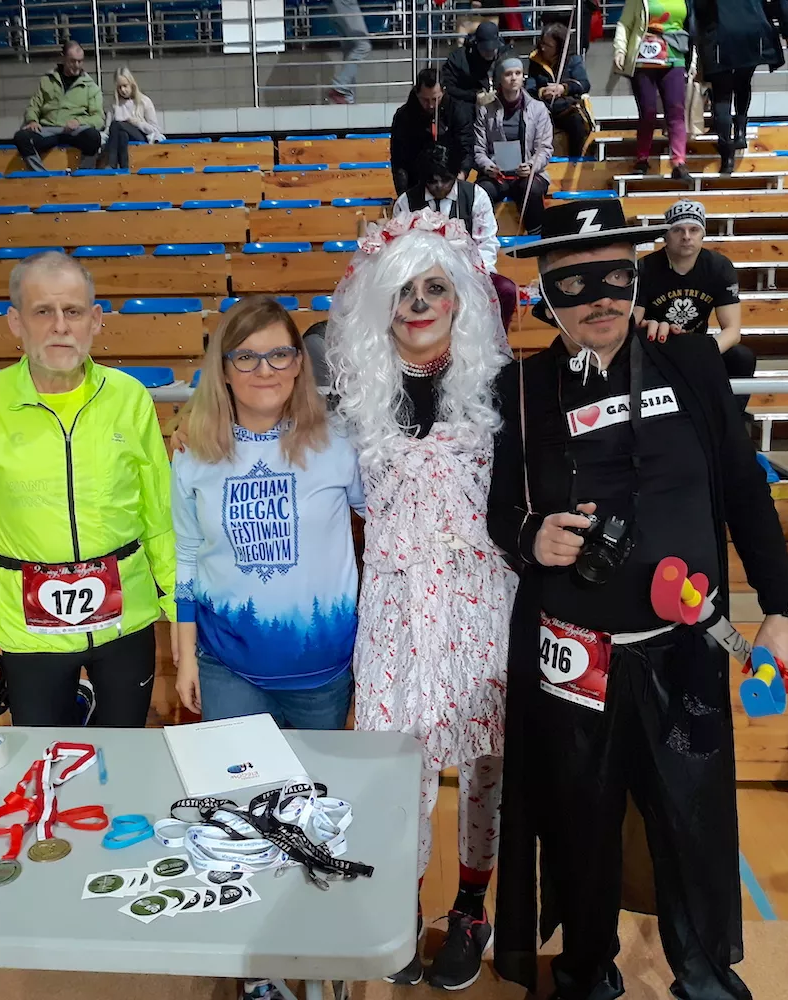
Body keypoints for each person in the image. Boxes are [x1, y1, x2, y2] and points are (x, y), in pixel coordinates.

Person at [487, 198, 788, 1000]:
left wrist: (782, 607)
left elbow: (743, 488)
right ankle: (587, 972)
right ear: (544, 293)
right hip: (574, 655)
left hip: (686, 646)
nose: (598, 299)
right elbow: (499, 509)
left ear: (636, 277)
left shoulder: (691, 360)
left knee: (692, 818)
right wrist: (530, 536)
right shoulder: (521, 389)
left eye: (613, 278)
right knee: (580, 825)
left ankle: (702, 972)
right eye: (574, 284)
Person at [327, 209, 517, 990]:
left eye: (434, 287)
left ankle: (471, 908)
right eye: (403, 289)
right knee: (393, 759)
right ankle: (398, 904)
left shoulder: (502, 389)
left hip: (481, 600)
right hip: (393, 605)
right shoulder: (355, 397)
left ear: (461, 296)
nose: (418, 303)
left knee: (484, 762)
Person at [0, 251, 177, 727]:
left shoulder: (129, 398)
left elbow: (160, 516)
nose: (60, 326)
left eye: (73, 311)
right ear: (16, 322)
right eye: (43, 311)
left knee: (126, 748)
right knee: (42, 756)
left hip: (126, 623)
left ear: (96, 320)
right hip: (29, 633)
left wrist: (180, 611)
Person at [171, 297, 364, 729]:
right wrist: (185, 656)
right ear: (223, 369)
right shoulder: (192, 454)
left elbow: (390, 520)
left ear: (298, 363)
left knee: (317, 775)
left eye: (279, 354)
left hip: (324, 670)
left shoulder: (338, 444)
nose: (264, 370)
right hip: (226, 666)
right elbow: (186, 556)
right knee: (237, 775)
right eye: (246, 357)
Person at [636, 200, 754, 410]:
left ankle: (731, 418)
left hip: (696, 345)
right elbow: (632, 325)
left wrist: (702, 354)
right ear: (665, 235)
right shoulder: (645, 268)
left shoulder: (719, 267)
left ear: (702, 234)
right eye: (677, 230)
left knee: (741, 358)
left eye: (694, 229)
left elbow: (732, 331)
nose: (686, 236)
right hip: (655, 346)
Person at [394, 144, 517, 333]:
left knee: (506, 289)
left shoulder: (476, 195)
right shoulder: (406, 202)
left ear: (456, 174)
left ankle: (495, 344)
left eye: (445, 180)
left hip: (469, 273)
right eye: (432, 181)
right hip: (422, 276)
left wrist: (475, 276)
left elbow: (486, 242)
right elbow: (401, 248)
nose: (439, 186)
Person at [695, 0, 788, 172]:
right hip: (753, 29)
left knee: (722, 96)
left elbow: (698, 6)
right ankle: (740, 131)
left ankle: (727, 155)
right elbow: (780, 2)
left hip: (720, 31)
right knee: (743, 81)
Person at [613, 0, 693, 179]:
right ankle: (642, 158)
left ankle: (679, 161)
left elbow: (693, 27)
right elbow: (625, 24)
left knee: (676, 109)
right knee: (648, 111)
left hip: (675, 56)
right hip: (643, 58)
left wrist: (693, 59)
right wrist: (620, 50)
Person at [475, 58, 554, 235]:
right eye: (508, 74)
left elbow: (544, 148)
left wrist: (532, 166)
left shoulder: (538, 109)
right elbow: (479, 149)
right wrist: (488, 166)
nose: (514, 78)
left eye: (518, 73)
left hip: (527, 174)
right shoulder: (485, 111)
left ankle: (537, 236)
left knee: (531, 189)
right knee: (481, 191)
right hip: (497, 174)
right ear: (500, 79)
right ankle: (482, 237)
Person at [12, 41, 104, 173]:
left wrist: (79, 121)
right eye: (72, 61)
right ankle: (40, 175)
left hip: (75, 131)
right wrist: (32, 120)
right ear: (63, 58)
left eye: (80, 61)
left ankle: (84, 174)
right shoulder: (46, 81)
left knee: (93, 137)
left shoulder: (91, 87)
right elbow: (34, 106)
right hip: (48, 129)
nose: (77, 65)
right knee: (21, 137)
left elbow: (98, 118)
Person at [390, 68, 474, 195]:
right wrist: (403, 193)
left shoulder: (457, 111)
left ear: (443, 92)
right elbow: (399, 159)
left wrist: (460, 177)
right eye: (425, 100)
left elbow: (466, 147)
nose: (430, 105)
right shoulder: (404, 116)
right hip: (416, 182)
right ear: (417, 93)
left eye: (435, 99)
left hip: (449, 180)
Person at [526, 21, 593, 158]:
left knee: (577, 124)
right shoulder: (535, 60)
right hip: (544, 109)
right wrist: (543, 92)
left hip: (565, 109)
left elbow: (584, 84)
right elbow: (530, 88)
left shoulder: (573, 59)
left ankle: (575, 160)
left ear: (559, 47)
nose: (543, 48)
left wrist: (563, 88)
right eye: (542, 43)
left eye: (548, 46)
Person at [442, 21, 514, 111]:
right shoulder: (460, 59)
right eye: (485, 49)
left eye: (492, 49)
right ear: (476, 43)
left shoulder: (507, 57)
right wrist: (474, 96)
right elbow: (448, 87)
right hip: (470, 106)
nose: (489, 53)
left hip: (501, 105)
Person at [104, 67, 163, 170]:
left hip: (140, 135)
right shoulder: (114, 103)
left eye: (125, 86)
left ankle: (111, 164)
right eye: (119, 87)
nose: (122, 90)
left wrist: (137, 123)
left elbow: (155, 129)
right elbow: (108, 129)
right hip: (120, 137)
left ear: (131, 84)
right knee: (121, 134)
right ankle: (124, 168)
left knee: (116, 124)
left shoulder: (144, 101)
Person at [326, 0, 372, 105]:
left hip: (334, 5)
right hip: (345, 3)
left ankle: (347, 97)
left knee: (351, 49)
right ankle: (339, 88)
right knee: (363, 45)